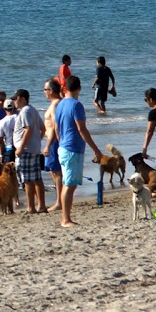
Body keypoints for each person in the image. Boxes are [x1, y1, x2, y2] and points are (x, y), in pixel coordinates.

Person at [45, 75, 101, 228]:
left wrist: (61, 140)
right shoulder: (76, 105)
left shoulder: (61, 104)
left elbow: (56, 127)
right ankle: (65, 219)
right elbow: (81, 129)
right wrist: (96, 150)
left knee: (68, 183)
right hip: (72, 148)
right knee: (69, 185)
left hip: (63, 147)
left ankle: (66, 217)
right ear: (79, 88)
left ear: (65, 88)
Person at [12, 88, 49, 215]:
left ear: (22, 99)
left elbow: (28, 129)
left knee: (28, 180)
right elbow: (42, 128)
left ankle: (31, 207)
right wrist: (37, 140)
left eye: (15, 99)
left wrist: (21, 147)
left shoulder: (26, 111)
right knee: (37, 178)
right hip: (33, 149)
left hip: (26, 150)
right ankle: (41, 205)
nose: (14, 102)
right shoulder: (32, 109)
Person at [41, 78, 65, 196]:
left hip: (54, 141)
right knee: (52, 170)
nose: (44, 92)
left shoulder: (56, 104)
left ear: (51, 90)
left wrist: (48, 145)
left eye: (45, 89)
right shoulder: (57, 103)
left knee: (56, 171)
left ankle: (60, 200)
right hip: (53, 140)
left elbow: (56, 126)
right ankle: (60, 197)